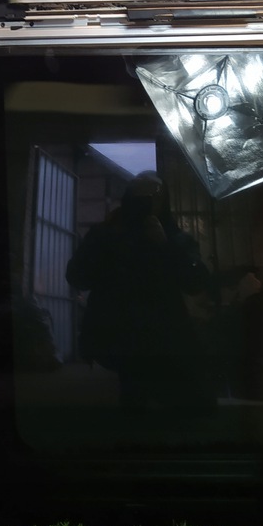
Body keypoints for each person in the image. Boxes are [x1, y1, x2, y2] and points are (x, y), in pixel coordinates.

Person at [66, 172, 211, 412]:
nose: (146, 202)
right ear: (128, 198)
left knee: (194, 404)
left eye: (154, 195)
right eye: (139, 196)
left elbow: (196, 282)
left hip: (163, 331)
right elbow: (77, 276)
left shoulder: (174, 238)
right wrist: (104, 244)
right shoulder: (106, 234)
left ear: (163, 201)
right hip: (118, 329)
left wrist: (166, 247)